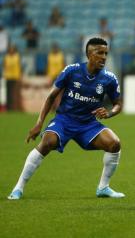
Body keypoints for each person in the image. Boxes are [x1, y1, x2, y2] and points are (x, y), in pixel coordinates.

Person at [8, 37, 124, 200]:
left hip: (88, 124)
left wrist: (109, 112)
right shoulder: (72, 71)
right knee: (47, 143)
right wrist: (39, 123)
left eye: (106, 53)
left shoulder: (109, 78)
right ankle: (18, 188)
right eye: (100, 53)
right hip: (65, 120)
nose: (104, 57)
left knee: (114, 144)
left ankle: (103, 187)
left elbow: (118, 104)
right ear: (89, 54)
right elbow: (50, 97)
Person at [2, 44, 22, 111]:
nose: (11, 50)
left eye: (12, 49)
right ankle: (8, 108)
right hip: (8, 77)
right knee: (8, 94)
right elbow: (4, 67)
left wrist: (20, 76)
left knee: (15, 94)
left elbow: (19, 67)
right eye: (10, 49)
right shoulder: (6, 57)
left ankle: (15, 108)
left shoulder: (17, 56)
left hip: (15, 77)